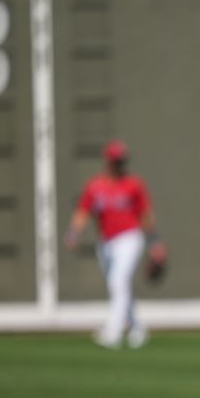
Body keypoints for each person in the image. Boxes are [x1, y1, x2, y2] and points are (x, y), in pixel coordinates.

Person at [64, 140, 166, 349]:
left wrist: (155, 242)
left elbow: (145, 214)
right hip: (106, 243)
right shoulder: (95, 186)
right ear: (107, 161)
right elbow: (83, 211)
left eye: (121, 161)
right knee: (119, 286)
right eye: (115, 160)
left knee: (118, 282)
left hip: (130, 238)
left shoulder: (133, 184)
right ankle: (137, 327)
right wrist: (74, 233)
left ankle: (113, 332)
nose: (119, 164)